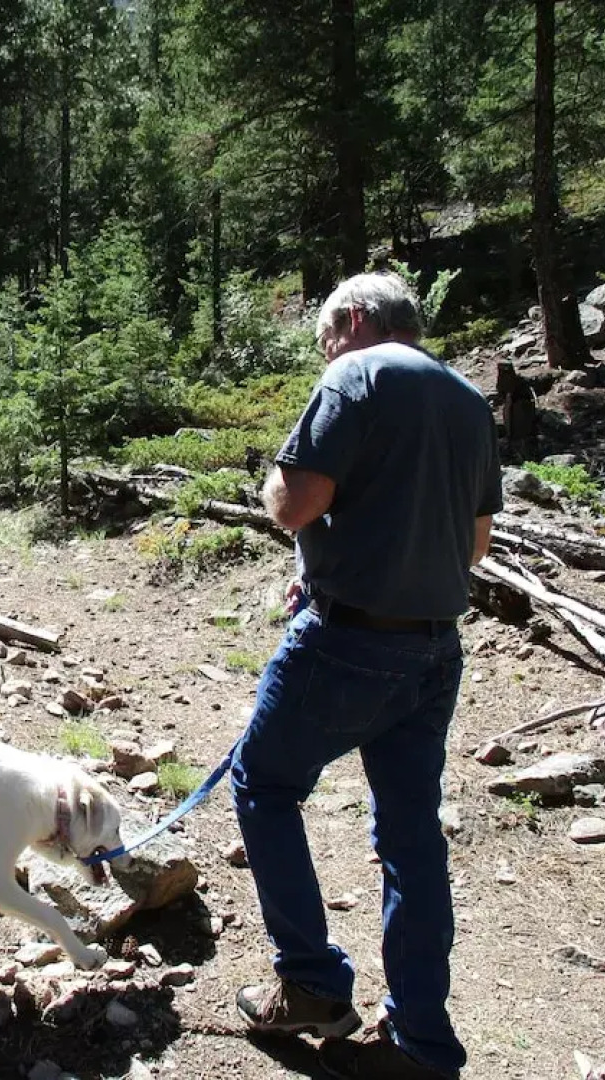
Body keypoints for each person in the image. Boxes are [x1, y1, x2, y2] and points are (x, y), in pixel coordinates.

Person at [231, 272, 501, 1080]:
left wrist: (276, 481)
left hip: (348, 644)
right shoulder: (466, 399)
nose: (325, 353)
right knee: (411, 838)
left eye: (324, 338)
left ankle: (311, 982)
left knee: (265, 785)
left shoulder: (355, 373)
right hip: (433, 648)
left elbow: (296, 502)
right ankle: (421, 1038)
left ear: (350, 320)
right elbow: (475, 544)